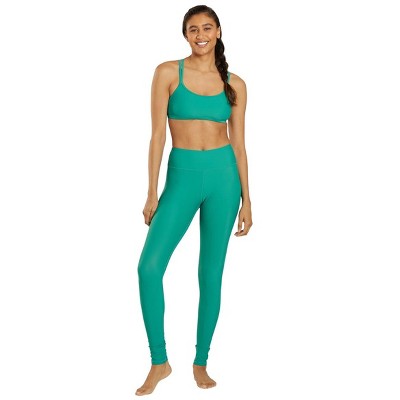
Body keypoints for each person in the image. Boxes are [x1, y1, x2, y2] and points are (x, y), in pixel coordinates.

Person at [135, 5, 253, 396]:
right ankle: (159, 361)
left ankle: (201, 362)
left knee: (210, 274)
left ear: (218, 31)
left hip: (224, 179)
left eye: (206, 27)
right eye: (192, 29)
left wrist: (248, 200)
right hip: (181, 177)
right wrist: (152, 191)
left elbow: (239, 144)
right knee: (149, 267)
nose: (200, 35)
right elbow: (157, 135)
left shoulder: (235, 83)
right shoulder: (168, 72)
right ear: (185, 34)